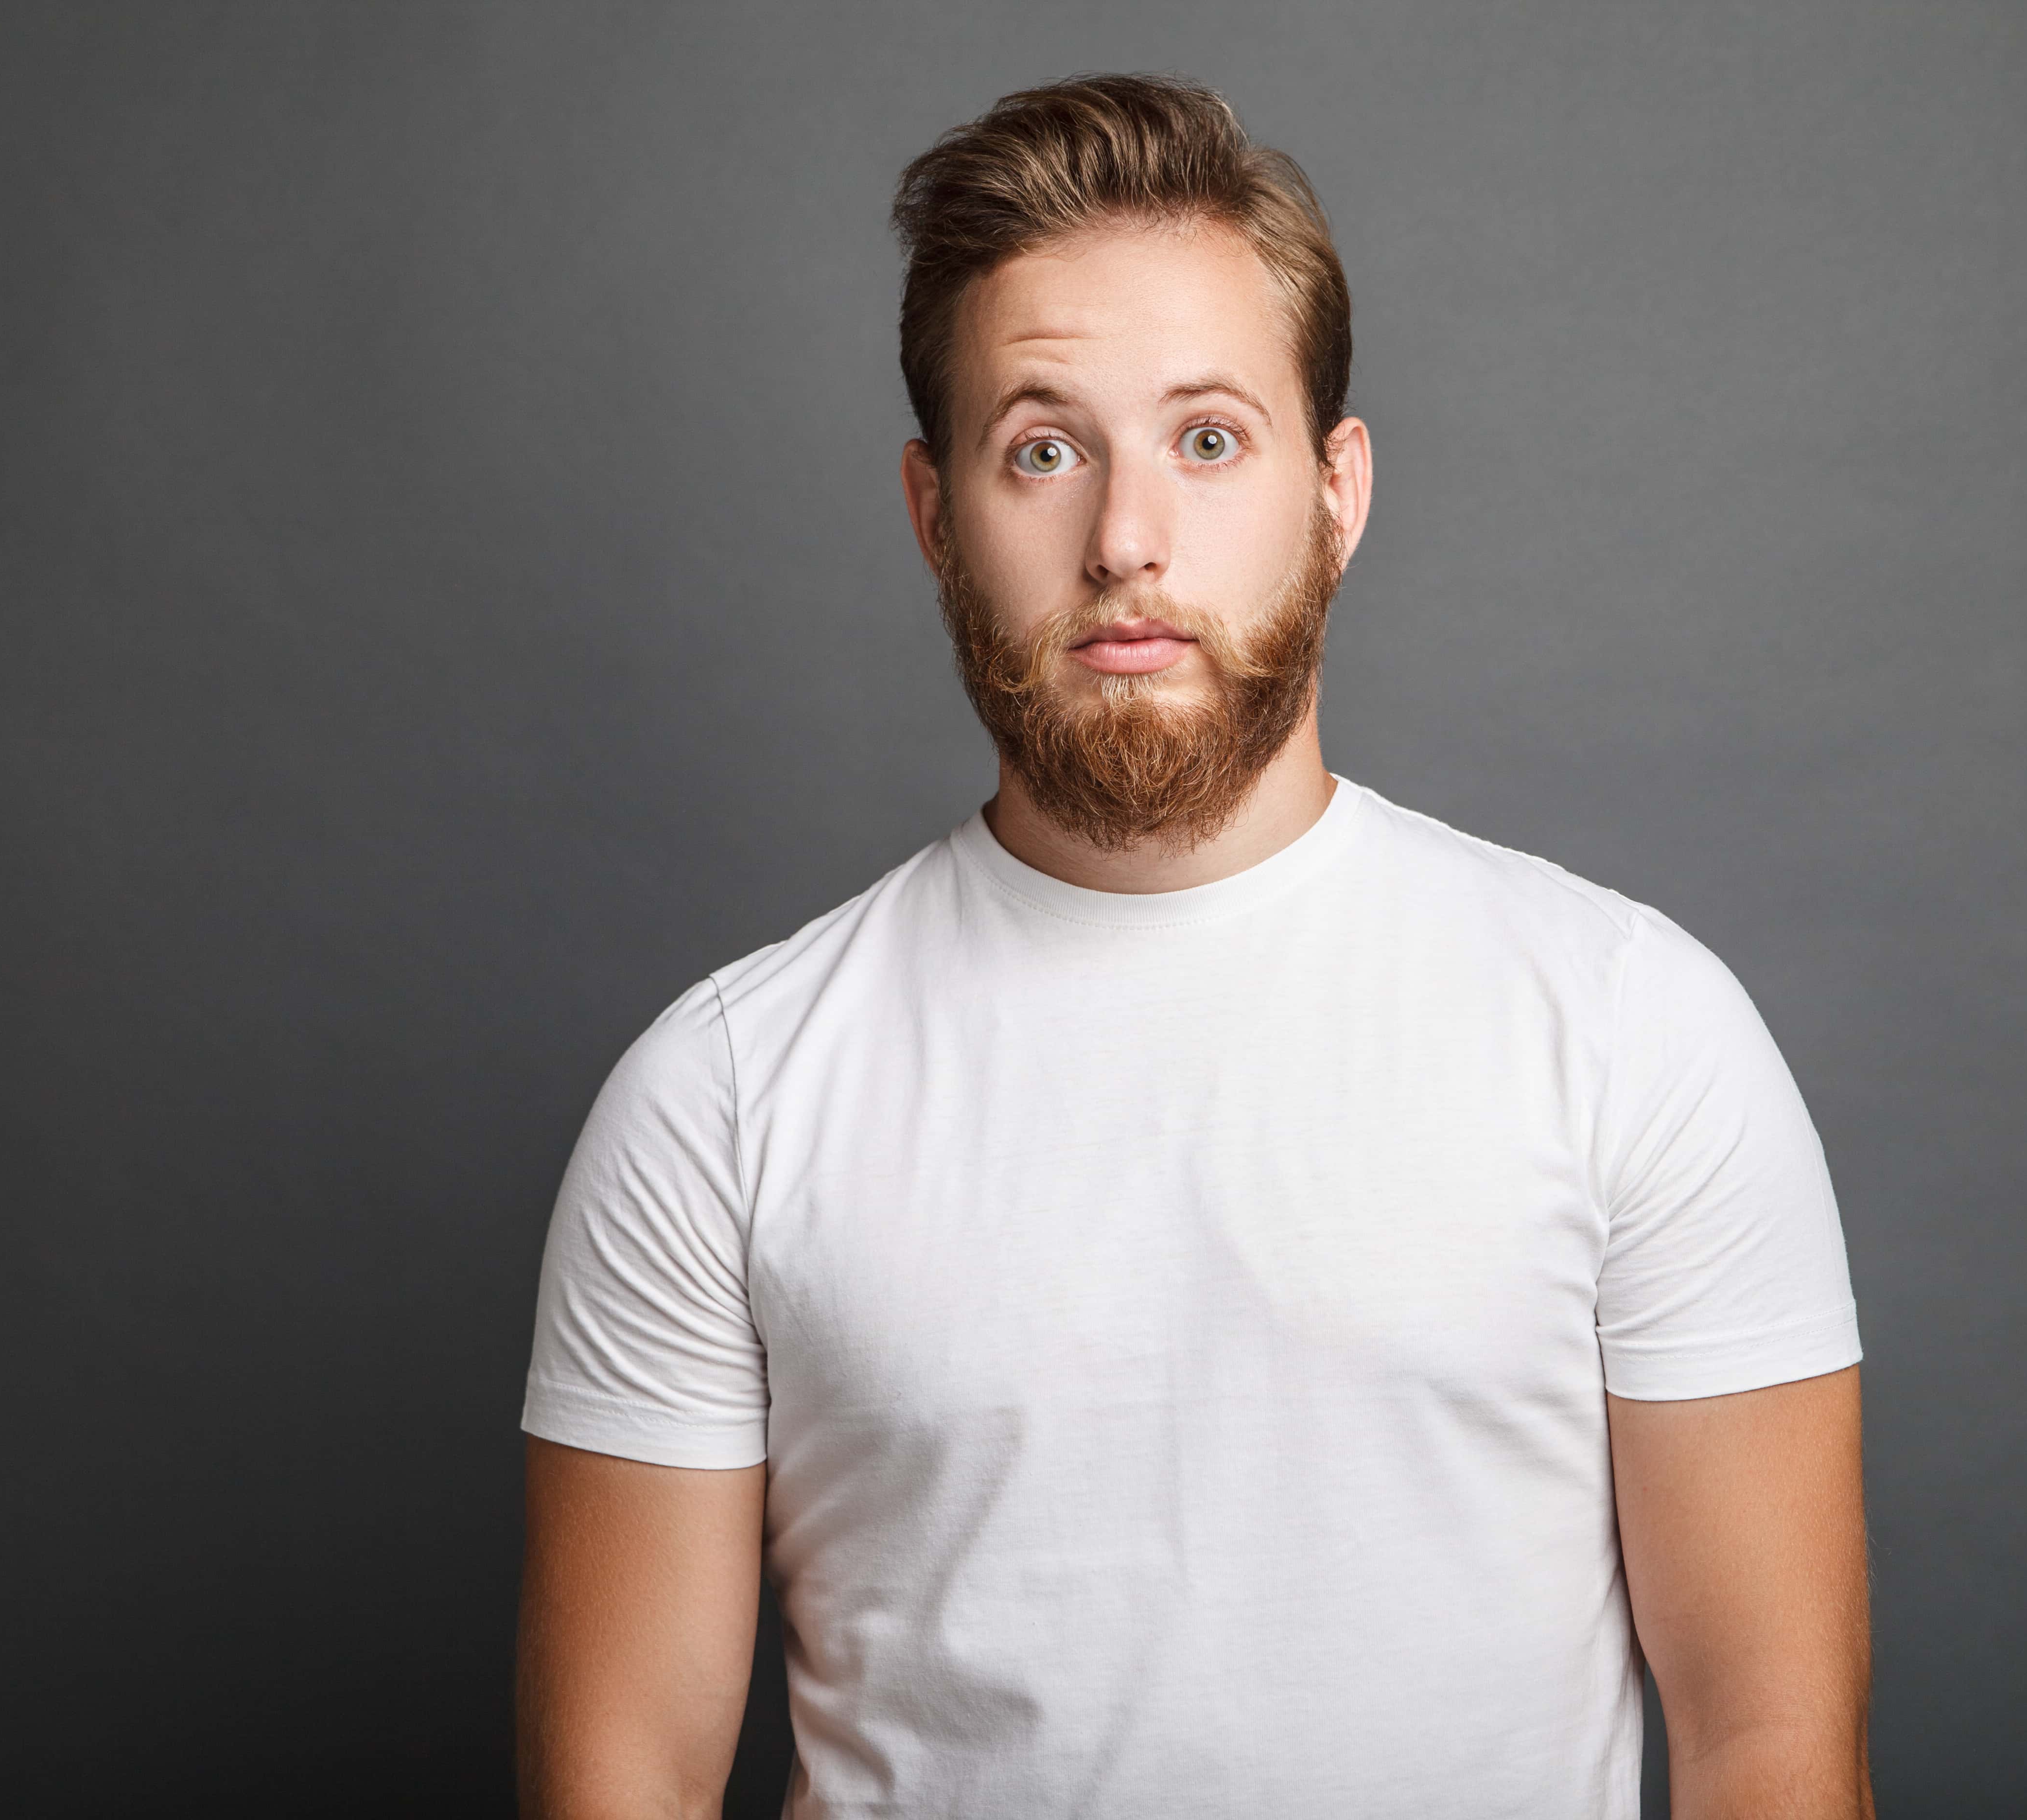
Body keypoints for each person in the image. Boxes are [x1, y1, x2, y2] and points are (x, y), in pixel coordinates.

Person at [515, 73, 1871, 1820]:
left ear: (1337, 489)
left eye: (1209, 440)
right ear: (939, 516)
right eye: (1045, 446)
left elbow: (1774, 1745)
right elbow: (618, 1780)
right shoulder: (719, 1098)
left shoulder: (1632, 1032)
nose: (1129, 540)